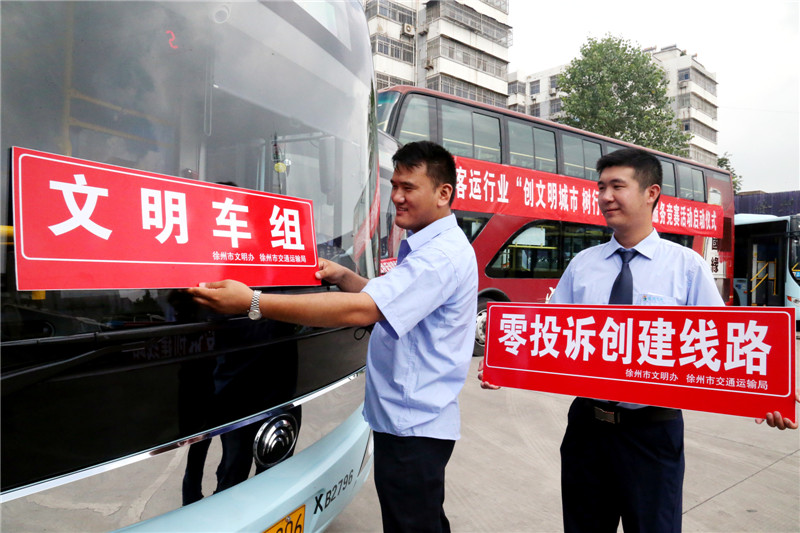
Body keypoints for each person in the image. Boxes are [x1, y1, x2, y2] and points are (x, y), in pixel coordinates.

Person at [478, 147, 797, 533]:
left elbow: (723, 344)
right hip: (587, 431)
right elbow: (549, 335)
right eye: (601, 187)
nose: (605, 197)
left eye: (617, 186)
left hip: (652, 434)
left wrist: (766, 395)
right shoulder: (582, 266)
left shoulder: (686, 267)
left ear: (651, 193)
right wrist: (504, 364)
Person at [189, 140, 478, 533]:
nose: (396, 197)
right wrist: (344, 276)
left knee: (413, 525)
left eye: (408, 187)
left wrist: (254, 301)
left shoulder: (439, 257)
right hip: (411, 422)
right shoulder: (433, 247)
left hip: (413, 430)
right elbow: (390, 298)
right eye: (394, 186)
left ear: (444, 193)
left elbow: (364, 310)